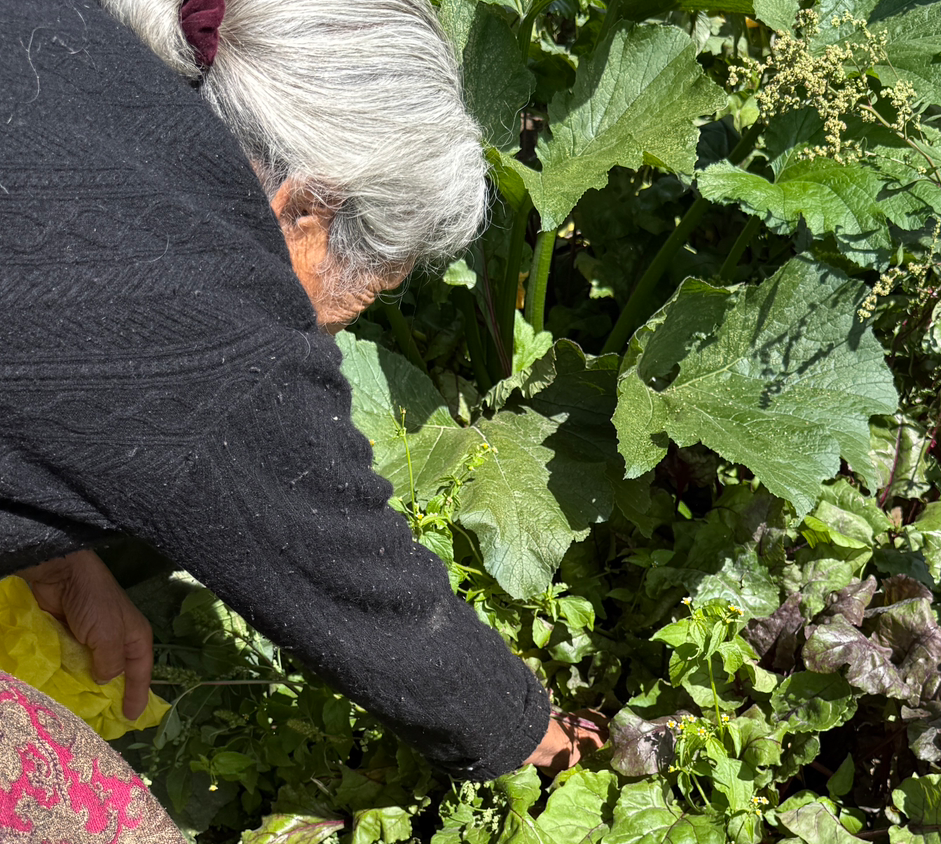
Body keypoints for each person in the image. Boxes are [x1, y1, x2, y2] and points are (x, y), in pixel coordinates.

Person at [0, 0, 604, 833]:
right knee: (94, 818)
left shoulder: (65, 32)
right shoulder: (214, 326)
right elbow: (368, 596)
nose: (332, 330)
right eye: (367, 291)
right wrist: (531, 732)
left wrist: (52, 554)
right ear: (309, 207)